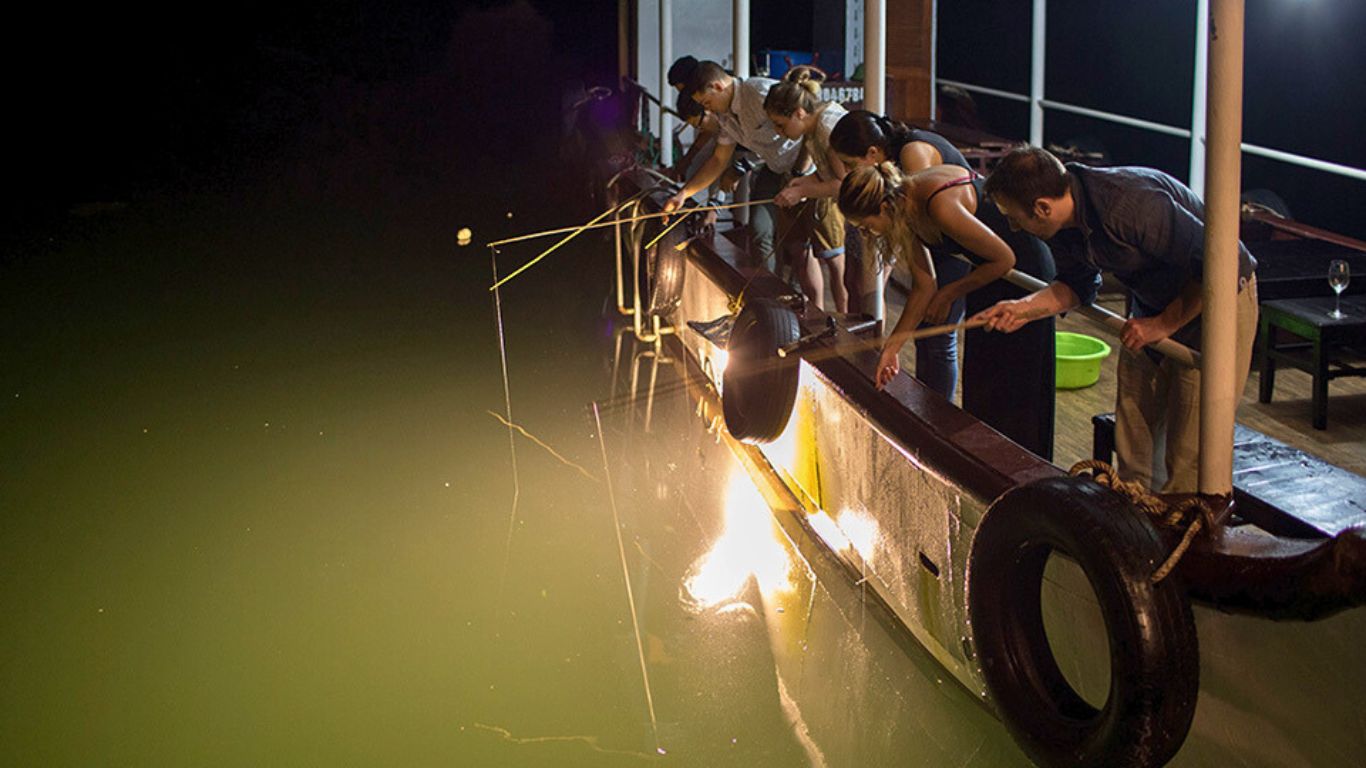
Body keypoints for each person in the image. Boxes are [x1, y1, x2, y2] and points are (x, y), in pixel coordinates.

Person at [975, 146, 1259, 492]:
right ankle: (1134, 526)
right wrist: (1022, 309)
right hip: (1152, 304)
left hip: (1216, 300)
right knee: (1133, 431)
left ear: (1042, 208)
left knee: (1191, 452)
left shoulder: (1128, 205)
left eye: (1014, 217)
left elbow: (1225, 262)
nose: (1013, 226)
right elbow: (1075, 286)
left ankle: (1183, 538)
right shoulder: (1062, 225)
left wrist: (1165, 325)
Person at [838, 162, 1057, 459]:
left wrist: (950, 293)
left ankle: (1025, 469)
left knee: (1018, 386)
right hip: (988, 273)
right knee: (982, 378)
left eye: (867, 226)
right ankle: (985, 463)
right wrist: (892, 348)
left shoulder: (938, 205)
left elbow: (1004, 258)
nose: (869, 233)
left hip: (1023, 272)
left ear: (884, 207)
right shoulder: (905, 206)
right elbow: (924, 284)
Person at [830, 110, 976, 395]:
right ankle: (927, 400)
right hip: (942, 245)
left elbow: (916, 217)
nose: (848, 173)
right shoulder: (893, 165)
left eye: (850, 164)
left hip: (959, 248)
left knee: (938, 334)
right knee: (925, 330)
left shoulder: (913, 154)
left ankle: (938, 409)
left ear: (873, 152)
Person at [664, 60, 803, 273]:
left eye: (706, 103)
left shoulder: (758, 92)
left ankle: (804, 298)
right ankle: (770, 292)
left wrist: (801, 174)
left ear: (718, 87)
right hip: (774, 168)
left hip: (804, 169)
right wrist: (683, 194)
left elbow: (804, 123)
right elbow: (719, 160)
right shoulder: (725, 117)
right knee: (760, 230)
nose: (706, 109)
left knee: (802, 247)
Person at [762, 65, 849, 312]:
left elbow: (845, 184)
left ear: (799, 113)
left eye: (780, 125)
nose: (779, 132)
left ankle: (851, 335)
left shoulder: (827, 126)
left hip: (863, 204)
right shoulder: (811, 128)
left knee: (848, 277)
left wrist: (802, 192)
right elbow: (826, 175)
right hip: (851, 203)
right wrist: (802, 183)